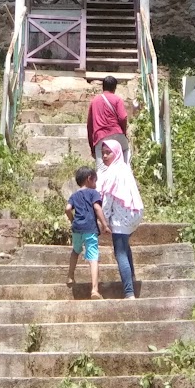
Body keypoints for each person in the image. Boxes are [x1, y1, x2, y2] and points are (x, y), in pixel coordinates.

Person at [97, 140, 144, 299]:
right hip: (134, 214)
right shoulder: (124, 168)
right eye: (103, 153)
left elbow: (107, 201)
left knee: (120, 253)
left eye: (108, 152)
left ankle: (129, 292)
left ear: (116, 153)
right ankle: (132, 279)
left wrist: (103, 221)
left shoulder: (112, 173)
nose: (105, 156)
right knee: (125, 247)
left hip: (121, 218)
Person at [65, 164, 109, 298]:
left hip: (77, 229)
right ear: (89, 178)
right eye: (95, 180)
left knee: (75, 251)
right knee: (93, 257)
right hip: (90, 228)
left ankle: (70, 276)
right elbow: (97, 208)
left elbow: (67, 209)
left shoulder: (74, 195)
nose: (96, 184)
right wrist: (104, 225)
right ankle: (94, 290)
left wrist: (72, 220)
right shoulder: (93, 193)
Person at [86, 75, 129, 164]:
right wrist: (123, 133)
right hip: (117, 134)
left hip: (100, 137)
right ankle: (126, 167)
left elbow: (89, 126)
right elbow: (123, 117)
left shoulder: (94, 101)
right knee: (125, 152)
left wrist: (92, 147)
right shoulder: (117, 99)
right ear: (114, 88)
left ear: (103, 87)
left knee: (102, 170)